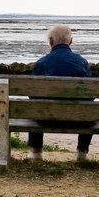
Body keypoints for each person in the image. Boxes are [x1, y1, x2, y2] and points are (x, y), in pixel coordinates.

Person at [28, 24, 93, 161]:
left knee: (34, 107)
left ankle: (36, 152)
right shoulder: (82, 62)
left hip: (47, 119)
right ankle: (82, 152)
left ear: (51, 42)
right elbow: (90, 95)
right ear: (71, 41)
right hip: (79, 120)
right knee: (89, 109)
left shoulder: (41, 63)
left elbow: (32, 95)